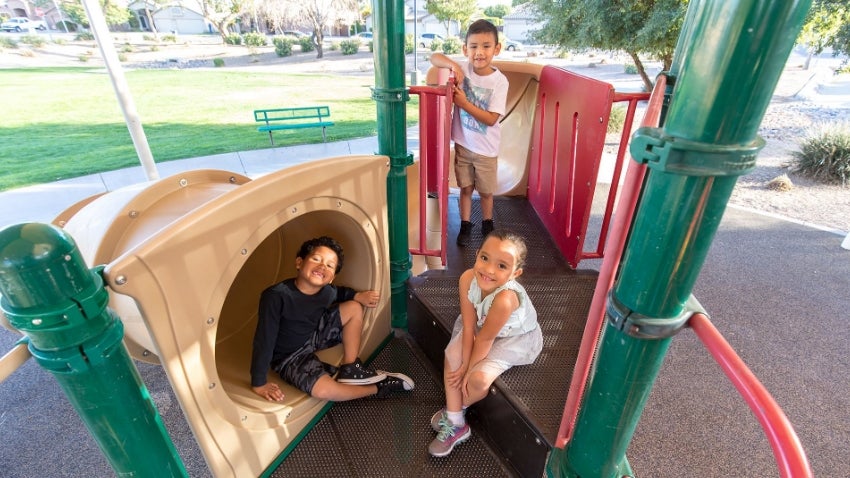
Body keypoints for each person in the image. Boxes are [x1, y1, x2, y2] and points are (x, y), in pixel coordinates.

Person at [250, 236, 414, 402]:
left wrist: (358, 295)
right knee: (324, 391)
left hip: (313, 335)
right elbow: (264, 340)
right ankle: (378, 388)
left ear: (331, 277)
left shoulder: (327, 291)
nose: (322, 266)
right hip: (289, 356)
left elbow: (341, 293)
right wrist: (259, 382)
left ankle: (350, 369)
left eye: (329, 265)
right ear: (299, 263)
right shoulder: (276, 296)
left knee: (353, 307)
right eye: (316, 259)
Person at [428, 230, 542, 457]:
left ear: (515, 273)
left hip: (514, 339)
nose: (489, 270)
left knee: (477, 380)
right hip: (482, 327)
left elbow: (486, 340)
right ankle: (457, 423)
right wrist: (460, 366)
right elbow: (470, 328)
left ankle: (456, 409)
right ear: (477, 254)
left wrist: (468, 370)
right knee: (452, 358)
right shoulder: (467, 279)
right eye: (485, 258)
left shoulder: (505, 299)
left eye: (501, 266)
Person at [430, 19, 509, 247]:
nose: (479, 52)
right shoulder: (463, 69)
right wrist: (453, 66)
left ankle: (487, 223)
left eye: (486, 46)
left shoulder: (499, 82)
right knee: (465, 188)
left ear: (497, 48)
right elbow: (434, 57)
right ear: (465, 50)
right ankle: (466, 225)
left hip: (486, 150)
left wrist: (463, 104)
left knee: (485, 192)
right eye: (473, 46)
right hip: (464, 145)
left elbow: (492, 119)